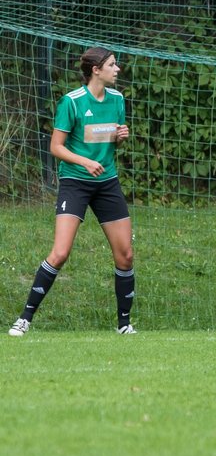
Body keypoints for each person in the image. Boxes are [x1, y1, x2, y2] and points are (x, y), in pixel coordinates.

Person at [9, 47, 136, 337]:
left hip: (107, 182)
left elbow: (105, 138)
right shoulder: (72, 102)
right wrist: (85, 161)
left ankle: (124, 324)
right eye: (113, 65)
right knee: (61, 252)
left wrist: (118, 138)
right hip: (75, 182)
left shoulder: (117, 99)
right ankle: (24, 319)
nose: (118, 70)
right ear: (96, 70)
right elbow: (56, 147)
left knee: (125, 255)